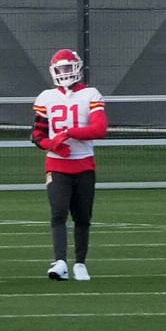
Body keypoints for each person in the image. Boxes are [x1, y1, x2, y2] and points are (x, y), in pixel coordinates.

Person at [32, 49, 110, 282]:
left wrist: (68, 133)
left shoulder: (91, 94)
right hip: (57, 165)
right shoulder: (46, 97)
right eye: (61, 69)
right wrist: (52, 144)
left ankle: (80, 263)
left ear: (77, 68)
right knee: (58, 213)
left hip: (84, 164)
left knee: (82, 217)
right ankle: (60, 262)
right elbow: (37, 135)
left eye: (68, 68)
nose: (65, 73)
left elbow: (99, 129)